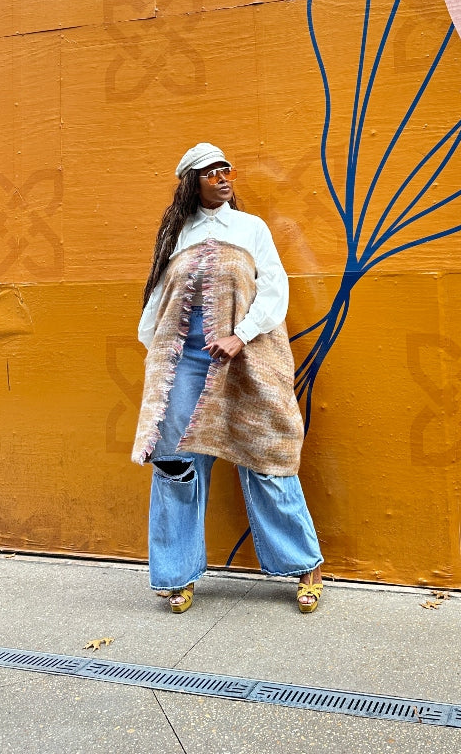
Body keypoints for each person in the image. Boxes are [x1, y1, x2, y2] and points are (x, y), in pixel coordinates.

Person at [132, 142, 323, 615]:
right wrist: (158, 356)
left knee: (267, 455)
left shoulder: (250, 228)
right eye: (210, 172)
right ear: (190, 184)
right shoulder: (175, 236)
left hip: (247, 359)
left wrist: (241, 335)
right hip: (185, 364)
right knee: (176, 466)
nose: (222, 178)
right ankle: (178, 574)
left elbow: (276, 287)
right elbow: (156, 304)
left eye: (225, 170)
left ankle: (306, 565)